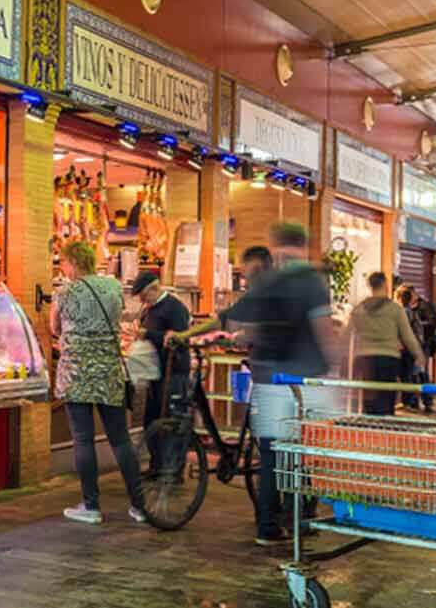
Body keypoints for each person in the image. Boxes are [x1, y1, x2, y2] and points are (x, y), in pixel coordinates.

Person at [184, 223, 339, 546]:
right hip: (302, 383)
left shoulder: (267, 282)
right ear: (305, 245)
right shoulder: (312, 282)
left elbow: (232, 319)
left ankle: (266, 526)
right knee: (299, 455)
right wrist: (337, 369)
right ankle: (297, 518)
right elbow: (324, 330)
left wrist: (189, 336)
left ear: (277, 245)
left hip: (268, 380)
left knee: (270, 456)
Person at [52, 240, 145, 525]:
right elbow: (121, 316)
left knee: (83, 439)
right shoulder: (113, 287)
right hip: (108, 370)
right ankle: (140, 505)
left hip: (77, 371)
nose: (63, 269)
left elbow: (54, 328)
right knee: (120, 439)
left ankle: (91, 506)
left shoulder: (65, 291)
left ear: (72, 262)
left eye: (64, 263)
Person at [347, 272, 424, 415]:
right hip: (388, 359)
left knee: (369, 399)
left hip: (365, 359)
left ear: (370, 286)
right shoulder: (395, 309)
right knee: (386, 399)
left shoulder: (359, 309)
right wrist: (418, 354)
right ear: (384, 285)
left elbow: (347, 335)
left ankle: (369, 429)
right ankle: (385, 428)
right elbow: (407, 335)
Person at [133, 272, 191, 433]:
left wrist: (148, 334)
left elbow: (181, 339)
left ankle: (171, 457)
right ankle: (156, 457)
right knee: (151, 421)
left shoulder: (175, 308)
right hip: (155, 372)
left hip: (173, 373)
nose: (141, 301)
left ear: (154, 289)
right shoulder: (148, 309)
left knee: (170, 422)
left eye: (143, 296)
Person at [411, 290, 436, 412]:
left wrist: (417, 327)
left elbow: (431, 324)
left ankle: (426, 400)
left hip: (423, 344)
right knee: (416, 372)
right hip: (419, 343)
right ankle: (417, 400)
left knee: (420, 372)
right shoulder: (416, 307)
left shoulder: (424, 307)